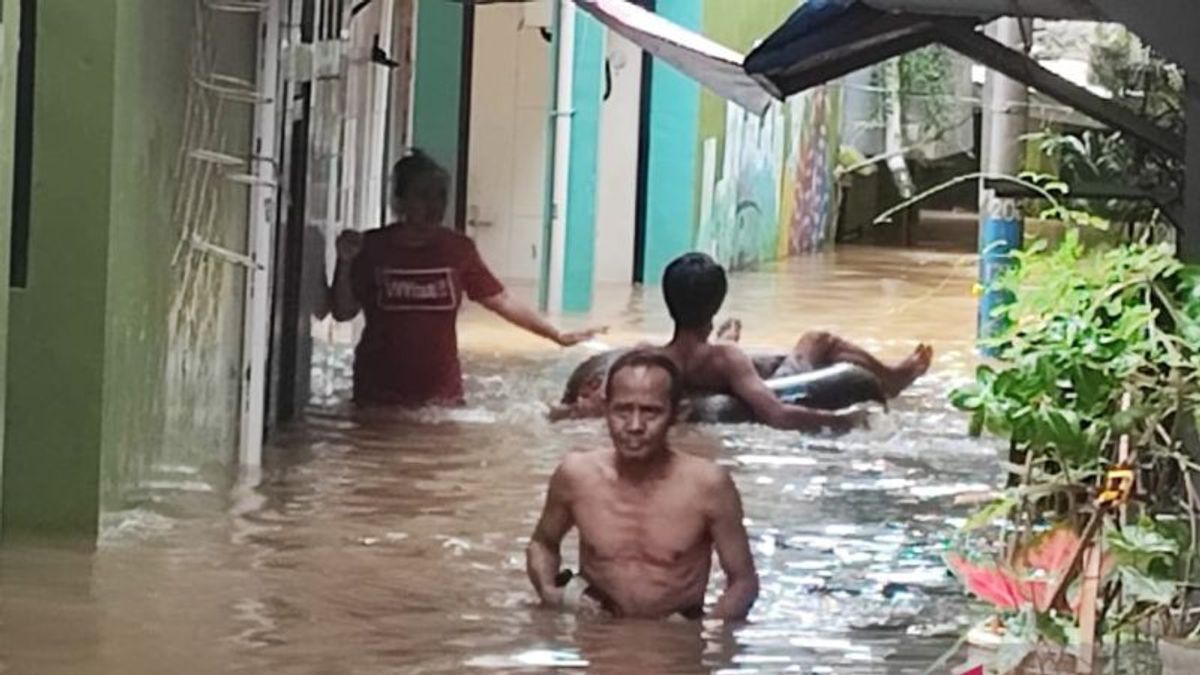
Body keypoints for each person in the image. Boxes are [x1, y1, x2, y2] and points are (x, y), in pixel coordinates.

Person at [329, 149, 601, 406]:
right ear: (399, 201)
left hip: (441, 395)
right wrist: (344, 262)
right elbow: (343, 312)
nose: (433, 205)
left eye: (440, 196)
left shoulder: (458, 249)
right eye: (422, 195)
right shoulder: (371, 247)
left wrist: (555, 335)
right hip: (377, 394)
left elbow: (501, 300)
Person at [549, 252, 933, 433]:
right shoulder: (726, 361)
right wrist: (845, 420)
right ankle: (893, 377)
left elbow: (593, 404)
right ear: (716, 301)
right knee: (818, 340)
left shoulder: (647, 357)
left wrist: (563, 412)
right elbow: (777, 413)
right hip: (724, 371)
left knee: (745, 353)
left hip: (699, 361)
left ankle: (722, 333)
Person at [527, 350, 759, 621]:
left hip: (674, 641)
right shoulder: (576, 475)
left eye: (651, 412)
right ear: (605, 407)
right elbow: (542, 543)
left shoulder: (708, 485)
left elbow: (743, 582)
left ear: (677, 413)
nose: (635, 426)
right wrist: (551, 593)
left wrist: (707, 632)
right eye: (623, 410)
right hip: (597, 637)